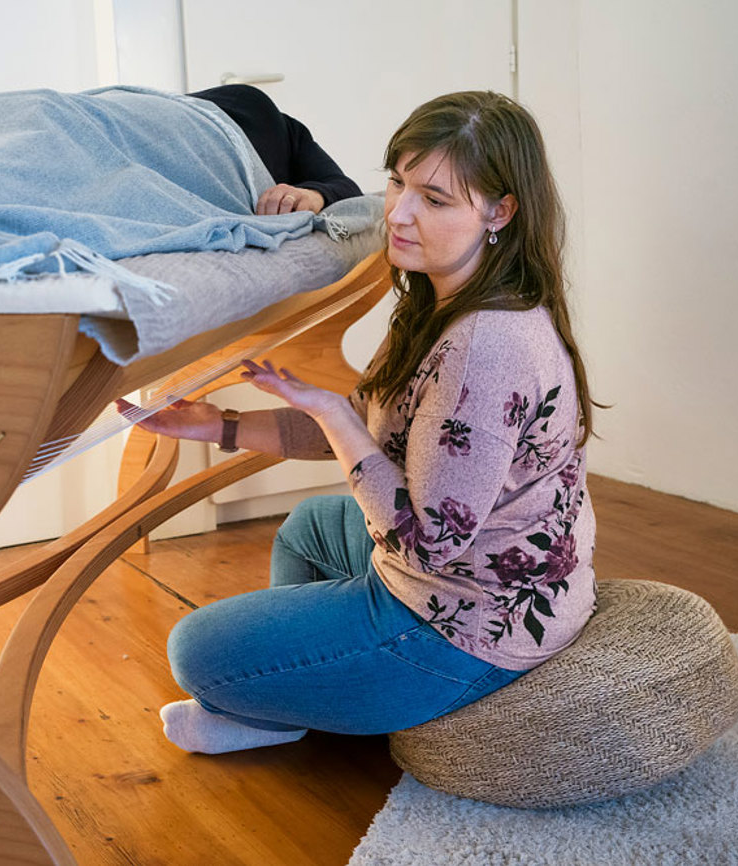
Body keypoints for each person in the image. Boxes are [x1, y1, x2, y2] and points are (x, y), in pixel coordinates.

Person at [121, 90, 600, 754]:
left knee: (195, 651)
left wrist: (329, 413)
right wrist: (218, 426)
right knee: (310, 527)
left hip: (468, 631)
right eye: (398, 182)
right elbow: (372, 427)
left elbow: (427, 545)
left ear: (500, 211)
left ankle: (293, 699)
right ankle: (298, 696)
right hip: (467, 581)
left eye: (434, 199)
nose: (398, 212)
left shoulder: (485, 348)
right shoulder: (445, 301)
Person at [189, 84, 363, 216]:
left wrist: (312, 196)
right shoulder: (273, 125)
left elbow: (346, 189)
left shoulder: (289, 138)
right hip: (236, 109)